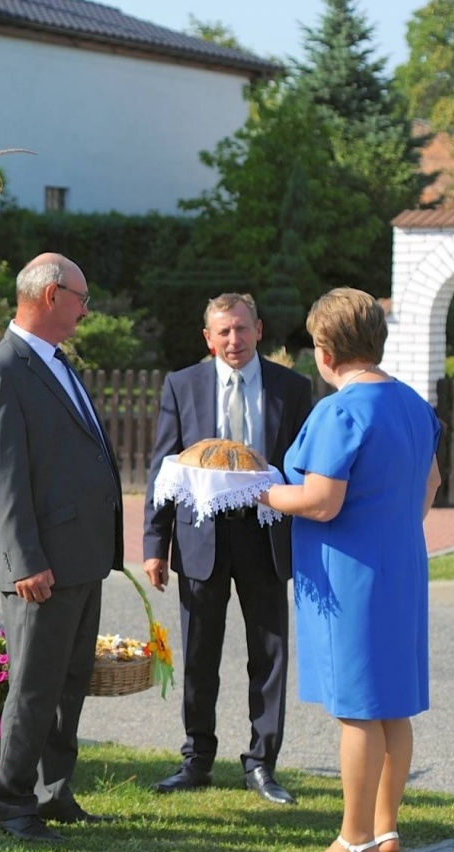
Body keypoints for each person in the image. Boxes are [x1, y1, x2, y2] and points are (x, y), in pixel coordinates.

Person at [262, 288, 441, 852]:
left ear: (324, 349)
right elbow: (431, 484)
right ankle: (386, 830)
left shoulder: (340, 409)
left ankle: (354, 841)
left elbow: (319, 501)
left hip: (350, 576)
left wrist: (256, 491)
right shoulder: (413, 404)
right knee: (392, 706)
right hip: (401, 566)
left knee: (358, 710)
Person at [0, 254, 122, 844]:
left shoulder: (56, 363)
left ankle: (55, 792)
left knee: (69, 682)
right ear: (53, 295)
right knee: (34, 687)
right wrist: (27, 559)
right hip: (42, 565)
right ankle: (13, 806)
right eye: (82, 297)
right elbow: (3, 477)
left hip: (81, 558)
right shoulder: (4, 369)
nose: (87, 309)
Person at [143, 294, 313, 805]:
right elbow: (163, 468)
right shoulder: (182, 385)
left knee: (270, 654)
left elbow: (306, 467)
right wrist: (156, 544)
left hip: (266, 534)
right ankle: (196, 758)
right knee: (199, 654)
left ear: (258, 329)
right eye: (223, 332)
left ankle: (262, 764)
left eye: (241, 329)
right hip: (200, 538)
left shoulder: (294, 388)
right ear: (208, 338)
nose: (233, 341)